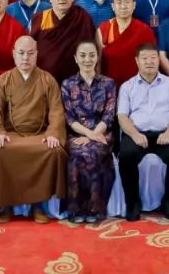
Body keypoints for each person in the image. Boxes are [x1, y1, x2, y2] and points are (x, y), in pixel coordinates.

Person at [0, 36, 67, 223]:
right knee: (0, 150)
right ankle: (6, 205)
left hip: (40, 134)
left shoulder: (47, 80)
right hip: (11, 134)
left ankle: (38, 205)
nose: (25, 58)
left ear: (37, 54)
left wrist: (53, 133)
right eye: (21, 53)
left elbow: (56, 111)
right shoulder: (4, 80)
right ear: (14, 54)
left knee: (51, 150)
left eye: (30, 53)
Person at [117, 43, 169, 221]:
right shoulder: (127, 86)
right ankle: (133, 203)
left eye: (153, 58)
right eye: (145, 58)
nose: (149, 62)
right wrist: (134, 134)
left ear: (159, 60)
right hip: (136, 134)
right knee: (126, 155)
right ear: (137, 61)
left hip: (164, 133)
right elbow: (122, 116)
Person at [61, 40, 117, 223]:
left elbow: (108, 116)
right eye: (83, 55)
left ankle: (95, 208)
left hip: (103, 134)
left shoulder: (108, 83)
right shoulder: (67, 84)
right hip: (76, 135)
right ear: (75, 58)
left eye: (92, 55)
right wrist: (88, 134)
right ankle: (75, 209)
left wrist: (93, 135)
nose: (87, 59)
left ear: (97, 57)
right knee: (77, 157)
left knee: (92, 153)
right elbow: (69, 117)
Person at [31, 0, 96, 83]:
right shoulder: (40, 18)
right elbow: (31, 46)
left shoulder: (82, 17)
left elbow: (91, 46)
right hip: (44, 80)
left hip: (75, 82)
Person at [97, 0, 156, 86]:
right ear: (113, 6)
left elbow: (152, 61)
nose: (123, 6)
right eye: (119, 2)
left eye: (127, 2)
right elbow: (98, 62)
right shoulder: (104, 29)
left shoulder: (144, 30)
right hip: (109, 86)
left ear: (134, 5)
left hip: (137, 86)